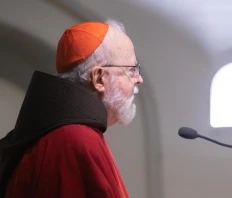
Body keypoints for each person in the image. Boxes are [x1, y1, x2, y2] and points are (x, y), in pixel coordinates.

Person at [0, 19, 143, 198]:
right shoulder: (75, 140)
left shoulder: (72, 133)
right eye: (132, 70)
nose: (139, 79)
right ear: (99, 79)